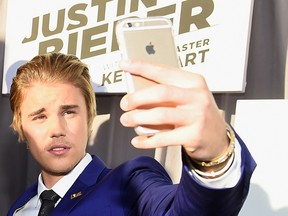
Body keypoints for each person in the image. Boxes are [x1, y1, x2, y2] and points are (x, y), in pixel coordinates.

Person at [7, 52, 256, 216]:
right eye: (40, 116)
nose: (57, 130)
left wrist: (213, 155)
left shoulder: (130, 185)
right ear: (20, 128)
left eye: (69, 112)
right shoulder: (20, 207)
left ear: (89, 118)